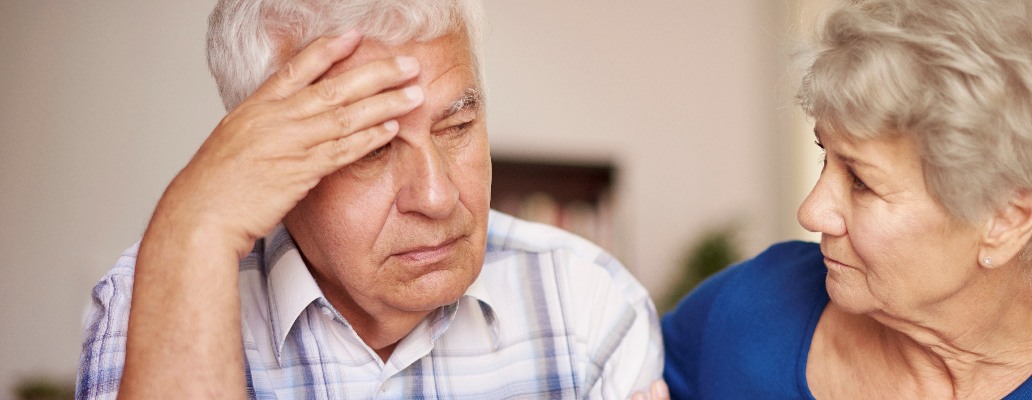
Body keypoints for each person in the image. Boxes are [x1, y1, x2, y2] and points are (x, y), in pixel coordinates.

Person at [76, 0, 662, 398]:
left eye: (456, 127)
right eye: (368, 150)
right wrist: (196, 224)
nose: (436, 197)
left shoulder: (586, 306)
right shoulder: (152, 300)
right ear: (261, 157)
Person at [661, 0, 1032, 398]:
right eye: (828, 157)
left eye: (862, 181)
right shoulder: (750, 305)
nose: (812, 212)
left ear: (1006, 221)